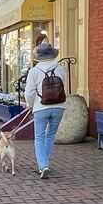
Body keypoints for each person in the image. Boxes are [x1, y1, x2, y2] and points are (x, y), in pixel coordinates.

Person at [24, 42, 67, 179]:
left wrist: (30, 105)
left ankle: (43, 166)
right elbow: (63, 86)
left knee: (39, 137)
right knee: (50, 135)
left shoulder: (34, 71)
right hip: (59, 106)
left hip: (41, 107)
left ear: (39, 56)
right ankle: (45, 163)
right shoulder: (61, 69)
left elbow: (29, 92)